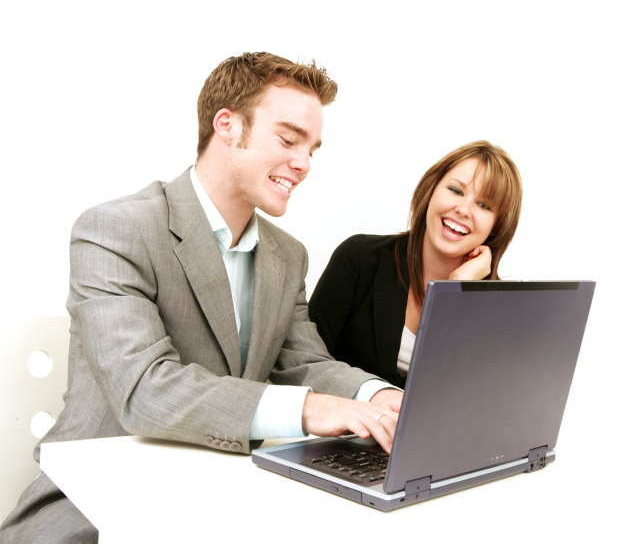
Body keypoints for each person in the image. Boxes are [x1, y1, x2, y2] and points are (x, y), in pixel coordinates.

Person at [0, 52, 403, 544]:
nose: (303, 164)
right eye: (288, 139)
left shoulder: (287, 255)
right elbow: (145, 389)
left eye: (312, 149)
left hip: (221, 492)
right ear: (227, 125)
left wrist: (380, 397)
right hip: (98, 503)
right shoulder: (115, 229)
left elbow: (303, 363)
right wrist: (309, 409)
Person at [308, 141, 523, 388]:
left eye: (484, 205)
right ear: (430, 192)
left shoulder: (502, 310)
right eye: (456, 190)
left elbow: (465, 396)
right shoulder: (358, 258)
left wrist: (456, 293)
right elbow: (306, 363)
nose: (463, 210)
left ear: (497, 226)